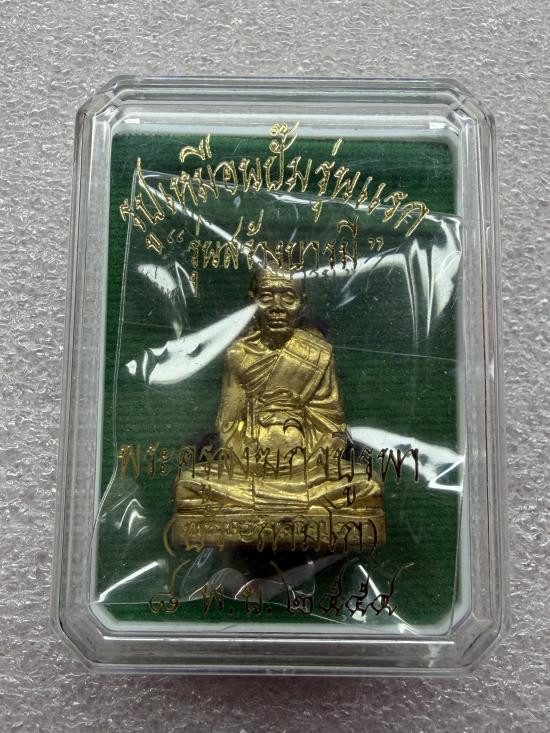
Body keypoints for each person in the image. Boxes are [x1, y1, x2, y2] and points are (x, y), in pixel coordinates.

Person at [173, 268, 385, 550]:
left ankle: (279, 509)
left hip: (310, 470)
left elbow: (332, 425)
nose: (276, 307)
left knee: (367, 486)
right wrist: (255, 463)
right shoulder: (239, 355)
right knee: (189, 484)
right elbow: (228, 423)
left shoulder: (318, 354)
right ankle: (293, 511)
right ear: (252, 301)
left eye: (288, 297)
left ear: (303, 305)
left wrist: (303, 463)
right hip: (249, 469)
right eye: (266, 297)